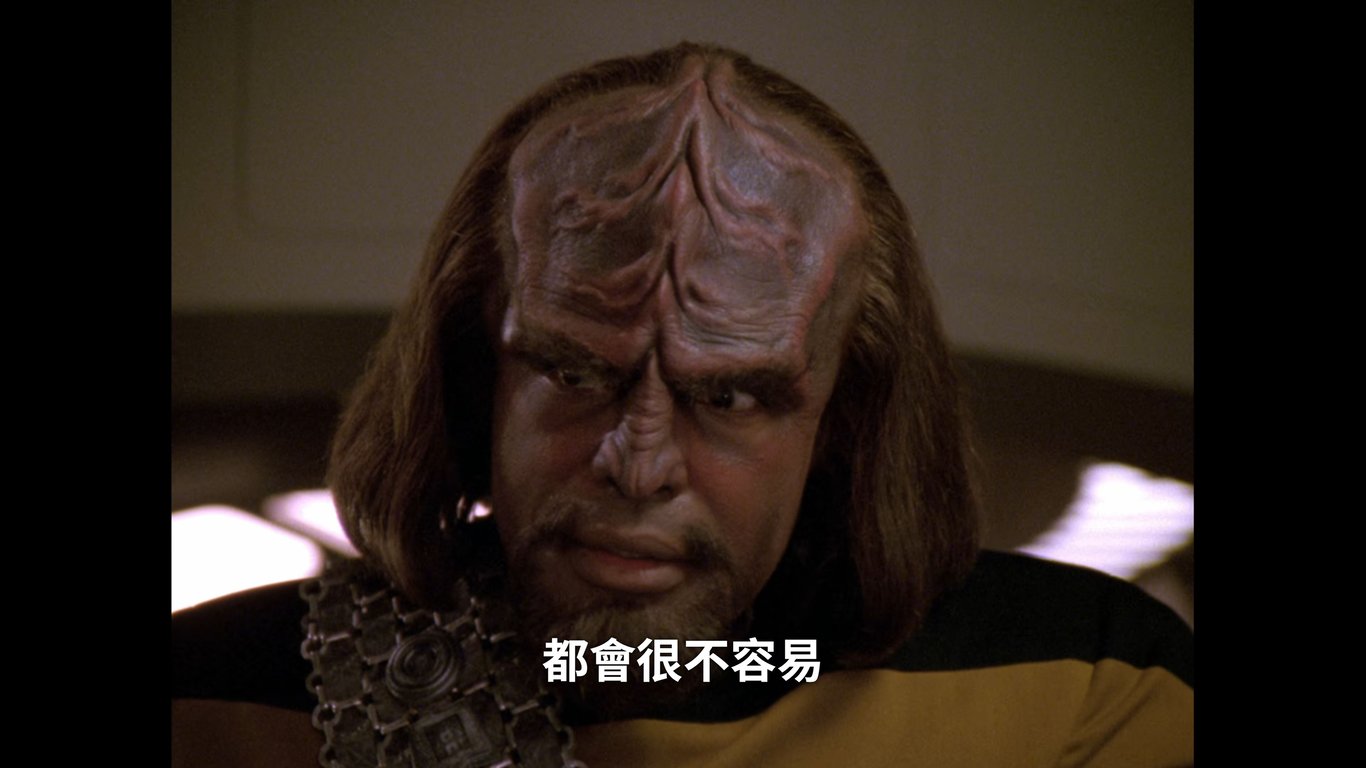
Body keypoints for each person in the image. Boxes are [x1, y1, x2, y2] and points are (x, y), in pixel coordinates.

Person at [172, 42, 1193, 767]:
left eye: (732, 394)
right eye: (575, 373)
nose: (640, 461)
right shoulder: (209, 702)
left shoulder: (1088, 682)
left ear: (843, 418)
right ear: (475, 373)